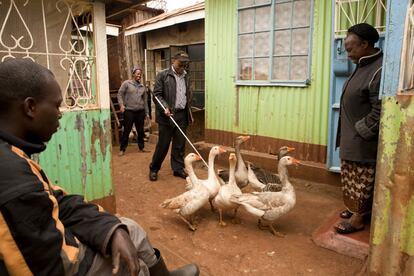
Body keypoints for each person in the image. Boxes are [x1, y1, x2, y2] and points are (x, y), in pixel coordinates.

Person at [0, 58, 200, 276]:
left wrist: (110, 230)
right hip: (64, 260)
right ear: (30, 107)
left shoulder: (16, 156)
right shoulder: (13, 181)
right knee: (130, 266)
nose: (60, 113)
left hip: (155, 112)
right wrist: (99, 246)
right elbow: (50, 265)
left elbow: (57, 201)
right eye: (57, 105)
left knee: (129, 229)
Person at [334, 23, 383, 234]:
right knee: (351, 177)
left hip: (363, 139)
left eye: (351, 48)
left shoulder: (378, 69)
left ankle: (358, 219)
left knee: (363, 180)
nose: (348, 53)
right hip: (351, 136)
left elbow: (381, 108)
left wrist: (361, 131)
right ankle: (354, 208)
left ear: (365, 44)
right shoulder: (363, 66)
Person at [149, 51, 193, 181]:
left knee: (179, 144)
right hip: (167, 116)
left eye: (185, 64)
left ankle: (178, 169)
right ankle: (154, 168)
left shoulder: (186, 77)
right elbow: (156, 95)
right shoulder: (163, 75)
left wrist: (189, 113)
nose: (182, 67)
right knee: (163, 144)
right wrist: (165, 107)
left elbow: (188, 96)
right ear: (173, 61)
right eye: (180, 64)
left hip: (182, 115)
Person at [118, 67, 149, 156]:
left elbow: (145, 101)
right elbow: (120, 94)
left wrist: (146, 113)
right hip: (129, 111)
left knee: (140, 130)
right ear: (133, 74)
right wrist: (121, 105)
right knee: (127, 130)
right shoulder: (127, 83)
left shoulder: (142, 87)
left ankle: (141, 147)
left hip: (140, 111)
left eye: (140, 74)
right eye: (137, 73)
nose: (139, 75)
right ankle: (122, 149)